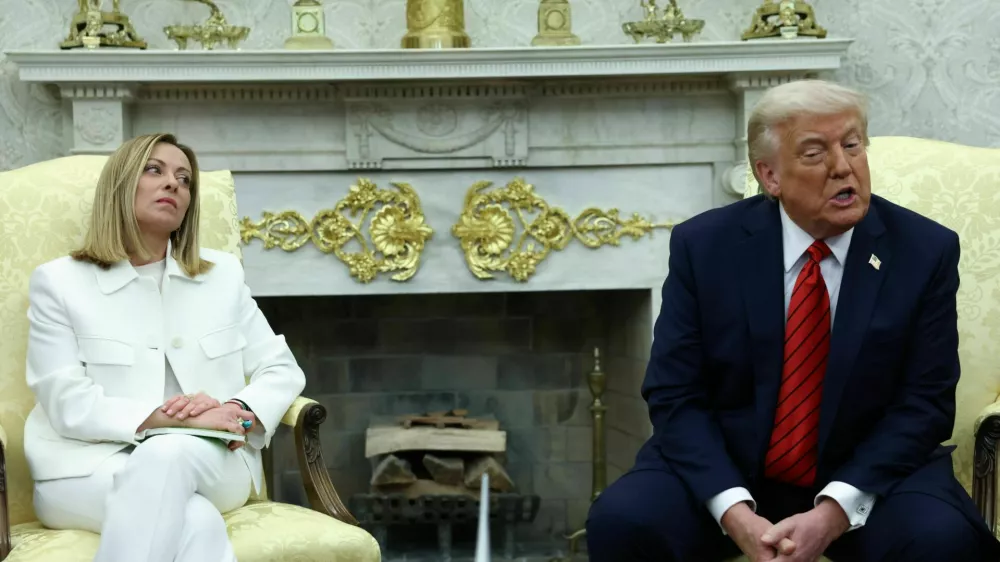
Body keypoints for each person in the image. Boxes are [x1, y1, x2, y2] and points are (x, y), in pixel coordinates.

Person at [585, 80, 1000, 562]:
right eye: (814, 153)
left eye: (852, 145)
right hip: (730, 462)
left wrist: (833, 512)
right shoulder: (705, 247)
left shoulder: (923, 251)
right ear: (770, 176)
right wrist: (735, 513)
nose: (843, 167)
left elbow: (925, 404)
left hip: (870, 470)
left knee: (940, 540)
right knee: (624, 520)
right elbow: (675, 392)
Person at [23, 133, 306, 562]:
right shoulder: (59, 282)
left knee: (168, 452)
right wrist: (162, 418)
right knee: (194, 521)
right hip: (83, 471)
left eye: (185, 179)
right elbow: (64, 399)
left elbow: (281, 369)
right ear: (120, 186)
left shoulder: (222, 277)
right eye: (154, 170)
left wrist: (237, 411)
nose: (174, 184)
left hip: (210, 458)